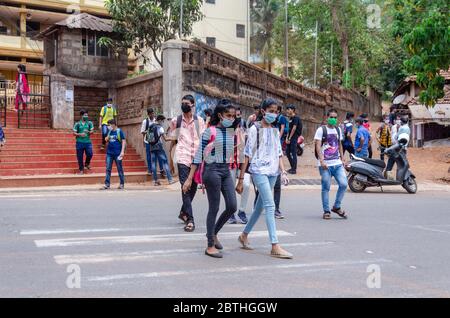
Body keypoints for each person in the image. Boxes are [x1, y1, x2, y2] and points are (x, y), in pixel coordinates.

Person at [236, 98, 292, 259]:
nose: (274, 114)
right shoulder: (254, 129)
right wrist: (241, 179)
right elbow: (247, 154)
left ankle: (244, 235)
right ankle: (275, 245)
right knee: (270, 205)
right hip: (259, 170)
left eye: (276, 112)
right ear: (263, 111)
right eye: (271, 111)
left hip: (273, 171)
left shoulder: (275, 130)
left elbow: (278, 153)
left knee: (260, 207)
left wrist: (283, 171)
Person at [183, 99, 238, 258]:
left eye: (233, 116)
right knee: (214, 207)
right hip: (211, 171)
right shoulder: (210, 131)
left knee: (232, 206)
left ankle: (214, 232)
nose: (231, 118)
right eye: (228, 115)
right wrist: (189, 178)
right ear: (220, 115)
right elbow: (199, 154)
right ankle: (209, 245)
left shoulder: (231, 132)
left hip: (225, 171)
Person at [169, 94, 206, 232]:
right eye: (182, 103)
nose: (184, 105)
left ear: (192, 105)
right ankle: (190, 220)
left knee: (193, 188)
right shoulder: (176, 121)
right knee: (185, 187)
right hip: (183, 157)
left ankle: (183, 212)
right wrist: (171, 159)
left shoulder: (199, 121)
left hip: (196, 159)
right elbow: (172, 138)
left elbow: (203, 140)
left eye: (187, 103)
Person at [314, 109, 349, 220]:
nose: (333, 119)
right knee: (326, 188)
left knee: (343, 184)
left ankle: (336, 206)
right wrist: (322, 161)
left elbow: (339, 145)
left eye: (335, 117)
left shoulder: (338, 130)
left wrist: (343, 158)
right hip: (325, 165)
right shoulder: (321, 130)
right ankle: (326, 211)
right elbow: (318, 146)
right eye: (331, 117)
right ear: (327, 117)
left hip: (337, 163)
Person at [228, 106, 250, 225]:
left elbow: (247, 149)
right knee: (230, 187)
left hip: (242, 162)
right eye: (231, 116)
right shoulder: (225, 129)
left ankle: (241, 211)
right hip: (230, 163)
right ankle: (231, 212)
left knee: (246, 184)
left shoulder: (243, 129)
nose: (234, 118)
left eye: (237, 115)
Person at [149, 115, 175, 186]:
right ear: (160, 120)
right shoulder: (160, 128)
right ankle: (170, 179)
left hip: (151, 147)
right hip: (159, 147)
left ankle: (155, 181)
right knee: (165, 162)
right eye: (163, 121)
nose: (163, 122)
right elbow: (165, 139)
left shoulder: (151, 126)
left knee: (153, 164)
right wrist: (173, 138)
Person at [101, 119, 126, 190]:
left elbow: (123, 141)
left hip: (117, 153)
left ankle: (121, 184)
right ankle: (107, 184)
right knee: (108, 169)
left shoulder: (119, 131)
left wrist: (122, 152)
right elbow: (106, 140)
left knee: (119, 169)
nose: (108, 126)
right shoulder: (109, 132)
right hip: (109, 153)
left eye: (109, 125)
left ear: (113, 124)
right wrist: (107, 137)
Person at [141, 107, 164, 177]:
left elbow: (160, 129)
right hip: (148, 141)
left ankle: (161, 169)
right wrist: (149, 131)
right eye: (151, 113)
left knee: (159, 156)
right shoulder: (145, 122)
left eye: (153, 113)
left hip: (157, 141)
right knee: (148, 156)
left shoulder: (156, 120)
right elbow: (142, 132)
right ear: (148, 114)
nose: (152, 115)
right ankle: (150, 170)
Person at [73, 109, 94, 175]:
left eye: (87, 115)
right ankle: (81, 170)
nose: (86, 116)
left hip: (88, 142)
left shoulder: (90, 123)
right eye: (85, 115)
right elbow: (74, 133)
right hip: (79, 142)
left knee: (90, 154)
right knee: (80, 157)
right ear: (81, 116)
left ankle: (87, 163)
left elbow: (92, 132)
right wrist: (80, 134)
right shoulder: (77, 124)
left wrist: (89, 132)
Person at [285, 104, 302, 175]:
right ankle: (292, 167)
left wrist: (289, 138)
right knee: (287, 152)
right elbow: (289, 129)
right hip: (290, 137)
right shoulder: (290, 119)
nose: (288, 110)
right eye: (287, 109)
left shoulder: (296, 118)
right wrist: (287, 138)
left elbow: (294, 128)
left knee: (294, 153)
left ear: (293, 110)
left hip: (294, 137)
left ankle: (294, 169)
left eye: (289, 109)